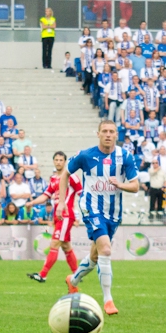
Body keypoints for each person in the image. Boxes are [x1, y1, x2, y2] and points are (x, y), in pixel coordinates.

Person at [62, 121, 139, 315]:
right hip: (91, 208)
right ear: (98, 134)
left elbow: (135, 186)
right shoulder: (86, 155)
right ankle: (108, 300)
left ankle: (73, 280)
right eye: (104, 131)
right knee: (106, 249)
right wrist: (63, 202)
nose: (108, 134)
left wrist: (120, 184)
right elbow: (65, 173)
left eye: (111, 132)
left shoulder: (125, 156)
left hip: (113, 214)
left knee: (96, 256)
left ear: (116, 135)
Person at [25, 151, 82, 284]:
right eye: (56, 160)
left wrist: (83, 213)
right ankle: (77, 274)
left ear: (65, 162)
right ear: (53, 161)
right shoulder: (53, 178)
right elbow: (46, 195)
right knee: (66, 246)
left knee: (54, 243)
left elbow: (81, 193)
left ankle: (43, 275)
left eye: (61, 160)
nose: (58, 162)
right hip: (58, 215)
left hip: (66, 216)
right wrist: (32, 202)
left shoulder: (71, 177)